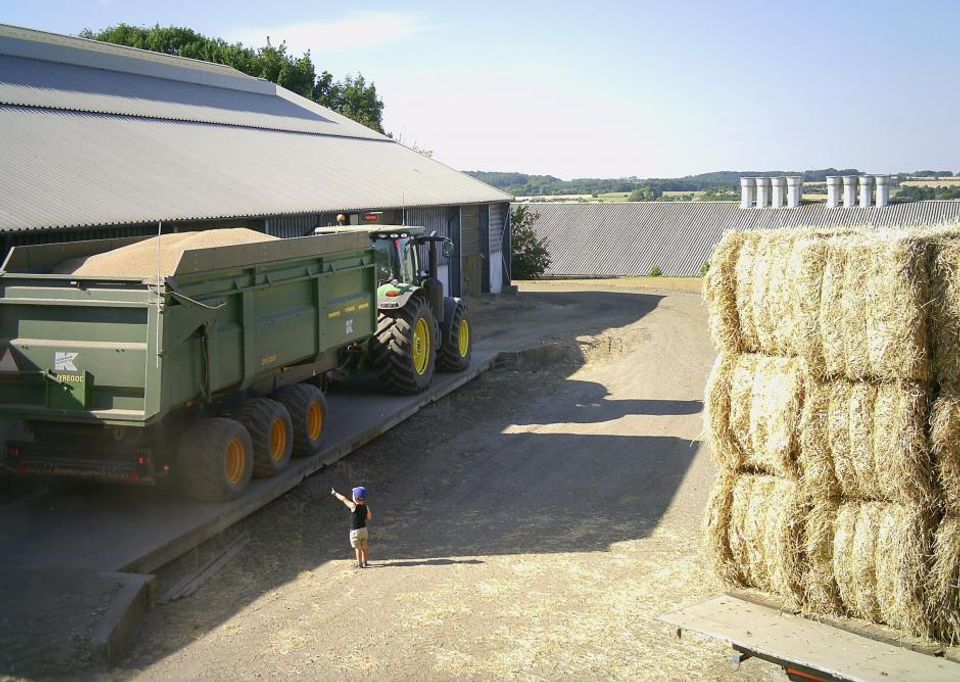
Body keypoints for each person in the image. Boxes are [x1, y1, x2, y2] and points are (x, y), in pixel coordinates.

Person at [331, 485, 372, 568]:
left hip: (355, 531)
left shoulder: (353, 506)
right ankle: (365, 562)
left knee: (357, 548)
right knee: (364, 547)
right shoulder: (366, 507)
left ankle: (359, 563)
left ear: (355, 498)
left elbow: (343, 499)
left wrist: (335, 493)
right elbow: (369, 517)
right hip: (364, 530)